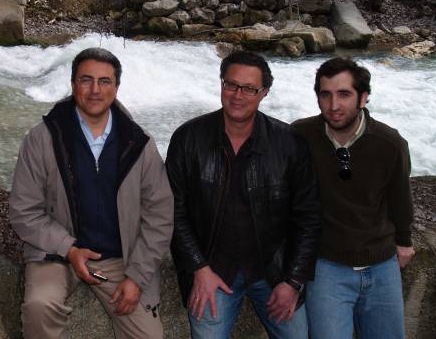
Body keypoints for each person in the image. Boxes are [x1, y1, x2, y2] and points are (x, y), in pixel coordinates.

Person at [8, 47, 173, 339]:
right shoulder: (43, 137)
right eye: (86, 80)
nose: (95, 90)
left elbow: (160, 215)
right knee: (38, 307)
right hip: (57, 253)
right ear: (73, 84)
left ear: (116, 87)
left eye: (104, 81)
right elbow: (24, 210)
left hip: (120, 260)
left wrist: (136, 276)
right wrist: (69, 248)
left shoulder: (139, 144)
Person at [166, 51, 321, 339]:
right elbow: (173, 212)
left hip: (273, 272)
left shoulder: (289, 143)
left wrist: (293, 281)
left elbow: (309, 217)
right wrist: (199, 268)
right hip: (213, 268)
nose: (238, 95)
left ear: (264, 93)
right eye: (231, 85)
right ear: (221, 85)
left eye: (249, 88)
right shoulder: (188, 138)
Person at [293, 57, 414, 339]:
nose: (334, 105)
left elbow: (400, 195)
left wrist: (404, 240)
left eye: (344, 94)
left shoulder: (389, 143)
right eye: (326, 94)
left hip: (382, 264)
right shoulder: (300, 136)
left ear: (363, 98)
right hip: (326, 267)